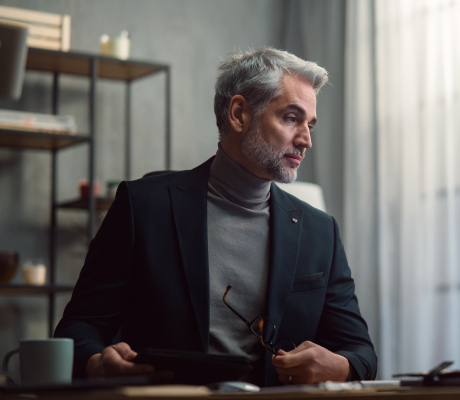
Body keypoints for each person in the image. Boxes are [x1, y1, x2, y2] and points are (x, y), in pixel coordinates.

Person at [54, 47, 377, 387]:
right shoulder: (143, 206)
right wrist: (96, 364)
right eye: (291, 118)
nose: (306, 140)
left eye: (309, 124)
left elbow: (361, 352)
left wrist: (340, 367)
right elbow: (79, 327)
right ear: (239, 114)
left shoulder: (320, 231)